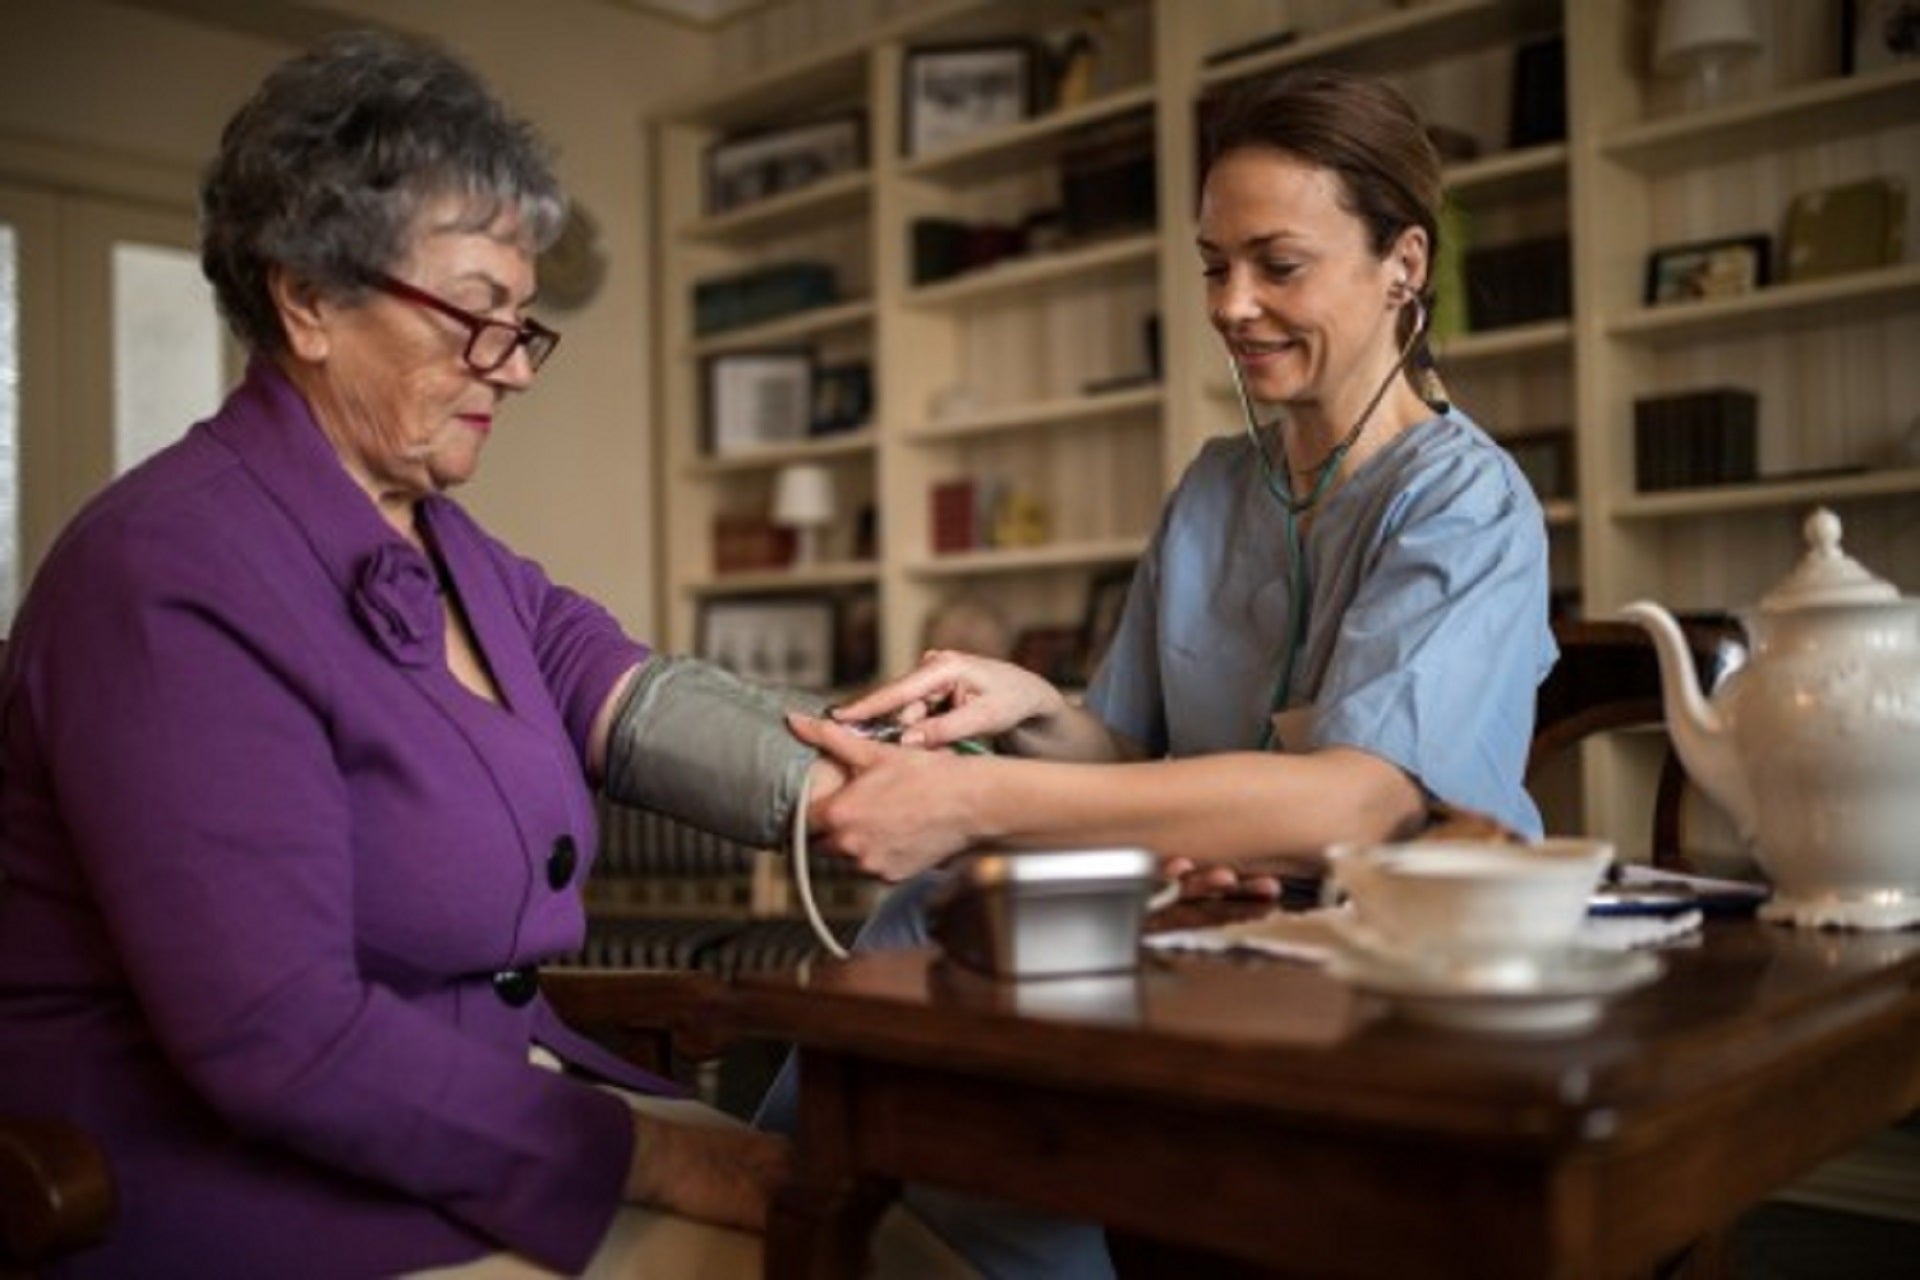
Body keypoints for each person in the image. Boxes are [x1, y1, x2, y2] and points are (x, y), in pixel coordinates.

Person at [0, 31, 969, 1280]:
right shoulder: (168, 573)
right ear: (304, 295)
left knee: (913, 1239)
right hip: (249, 1186)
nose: (509, 368)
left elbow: (643, 701)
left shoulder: (453, 547)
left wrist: (972, 795)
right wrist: (663, 1155)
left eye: (522, 324)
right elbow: (277, 1038)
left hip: (469, 1120)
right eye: (474, 315)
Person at [756, 68, 1556, 1278]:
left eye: (1277, 265)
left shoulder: (1468, 502)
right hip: (1208, 929)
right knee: (942, 920)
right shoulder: (1217, 487)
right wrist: (1031, 710)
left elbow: (1356, 800)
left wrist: (980, 799)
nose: (1233, 304)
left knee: (996, 943)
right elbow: (1128, 748)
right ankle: (811, 1217)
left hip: (1386, 969)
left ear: (1404, 263)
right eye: (1212, 263)